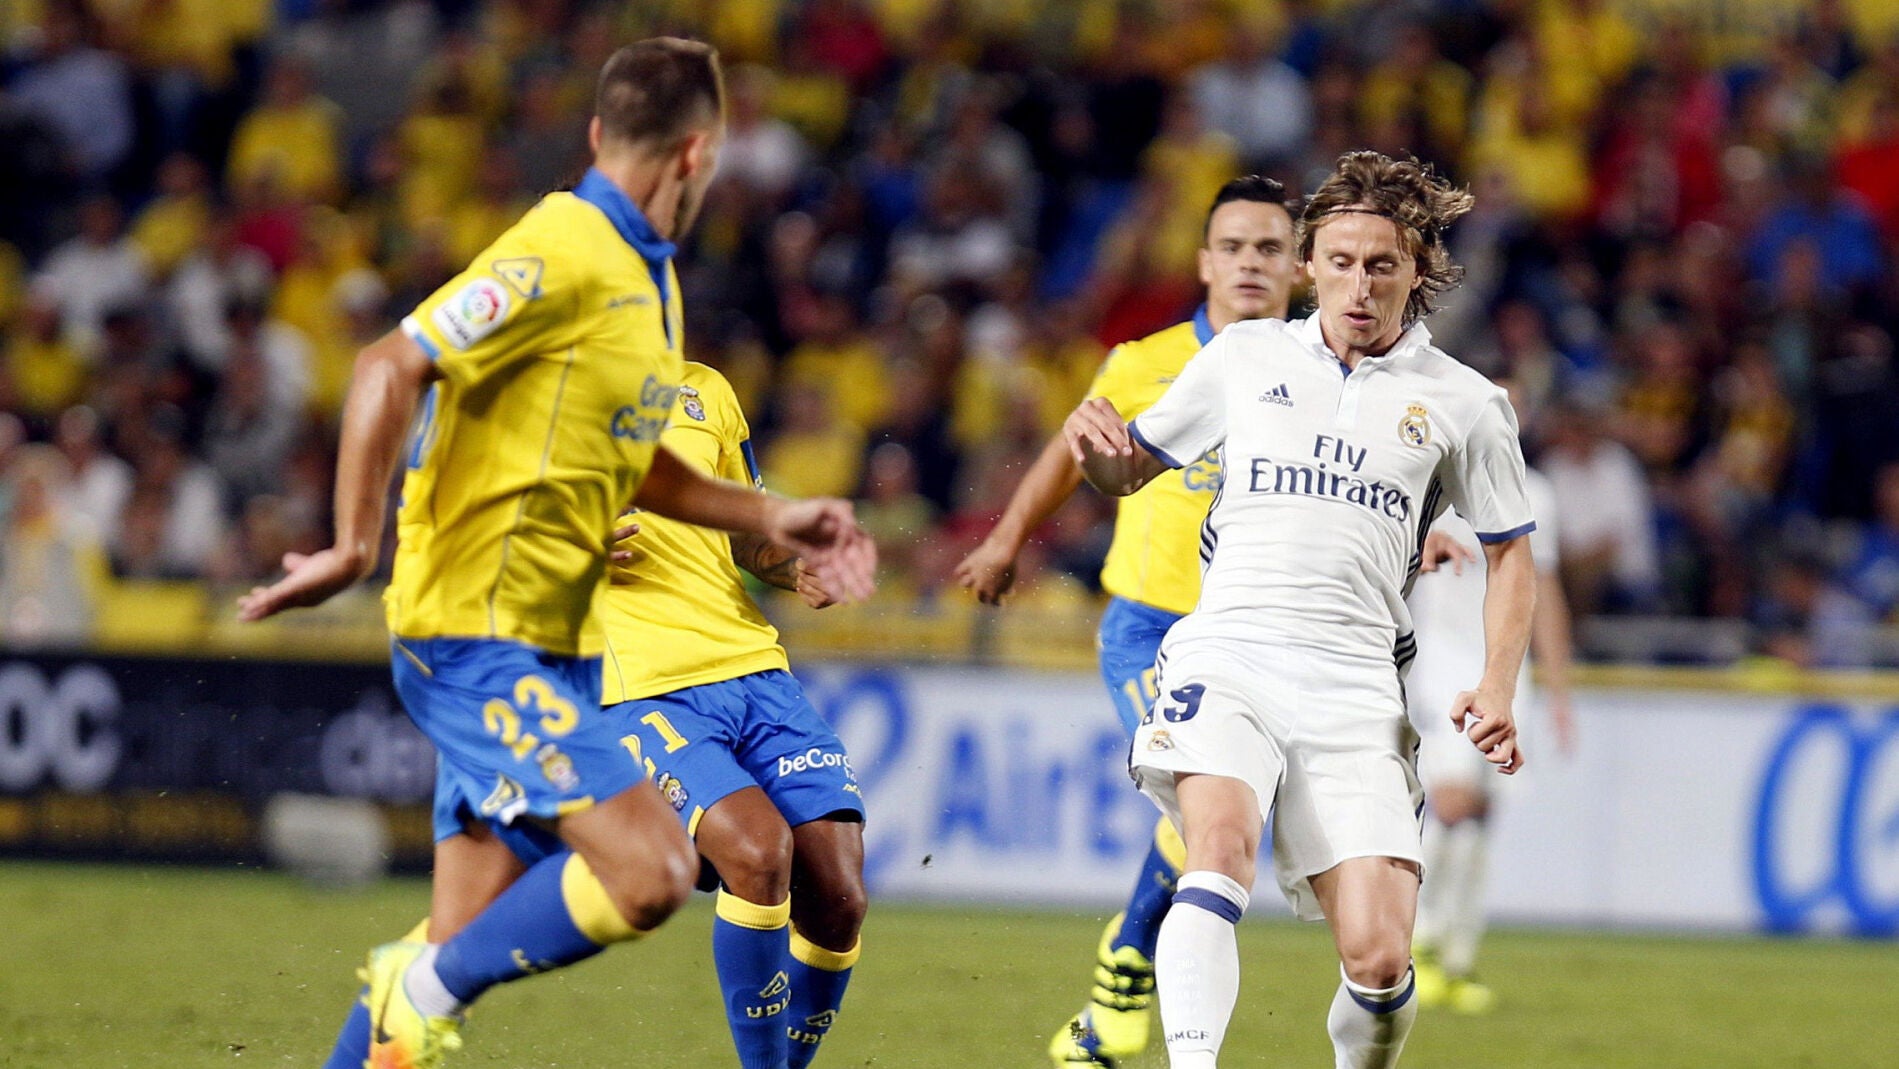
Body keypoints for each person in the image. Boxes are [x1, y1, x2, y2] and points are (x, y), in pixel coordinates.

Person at [239, 39, 875, 1069]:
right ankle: (423, 990)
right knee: (655, 874)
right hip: (473, 636)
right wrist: (356, 543)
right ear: (699, 155)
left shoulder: (649, 287)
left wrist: (765, 516)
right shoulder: (565, 247)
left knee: (454, 936)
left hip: (555, 646)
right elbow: (387, 365)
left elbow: (637, 471)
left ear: (599, 133)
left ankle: (407, 1003)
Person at [1062, 151, 1536, 1069]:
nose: (1358, 285)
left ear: (1418, 273)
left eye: (1382, 265)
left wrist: (1497, 684)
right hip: (1228, 652)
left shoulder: (1464, 403)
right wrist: (1096, 461)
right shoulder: (1242, 356)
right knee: (1217, 850)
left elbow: (1509, 547)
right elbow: (1132, 468)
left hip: (1355, 681)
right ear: (1309, 264)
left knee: (1378, 954)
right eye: (1341, 262)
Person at [316, 363, 868, 1069]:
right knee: (748, 853)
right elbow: (447, 522)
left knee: (838, 893)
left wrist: (795, 566)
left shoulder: (707, 390)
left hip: (754, 671)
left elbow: (742, 525)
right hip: (613, 682)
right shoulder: (518, 385)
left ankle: (411, 998)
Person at [952, 175, 1301, 1068]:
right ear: (1203, 261)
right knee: (1204, 801)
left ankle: (1125, 955)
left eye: (1269, 247)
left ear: (1299, 265)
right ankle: (1123, 975)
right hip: (1151, 627)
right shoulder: (1142, 359)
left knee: (1226, 819)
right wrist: (1006, 541)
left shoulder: (1314, 370)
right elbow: (1070, 453)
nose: (1251, 264)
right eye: (1234, 247)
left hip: (1261, 635)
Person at [1405, 439, 1575, 1014]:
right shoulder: (1428, 480)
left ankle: (1456, 956)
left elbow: (1542, 587)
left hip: (1506, 668)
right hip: (1438, 666)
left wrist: (1556, 685)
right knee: (1448, 804)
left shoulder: (1537, 493)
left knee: (1481, 816)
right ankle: (1418, 944)